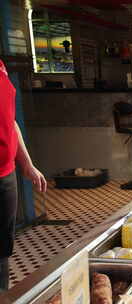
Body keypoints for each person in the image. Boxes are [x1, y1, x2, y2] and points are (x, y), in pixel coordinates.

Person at [0, 59, 47, 291]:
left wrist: (26, 163)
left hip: (5, 174)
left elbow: (10, 121)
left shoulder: (0, 67)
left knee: (2, 248)